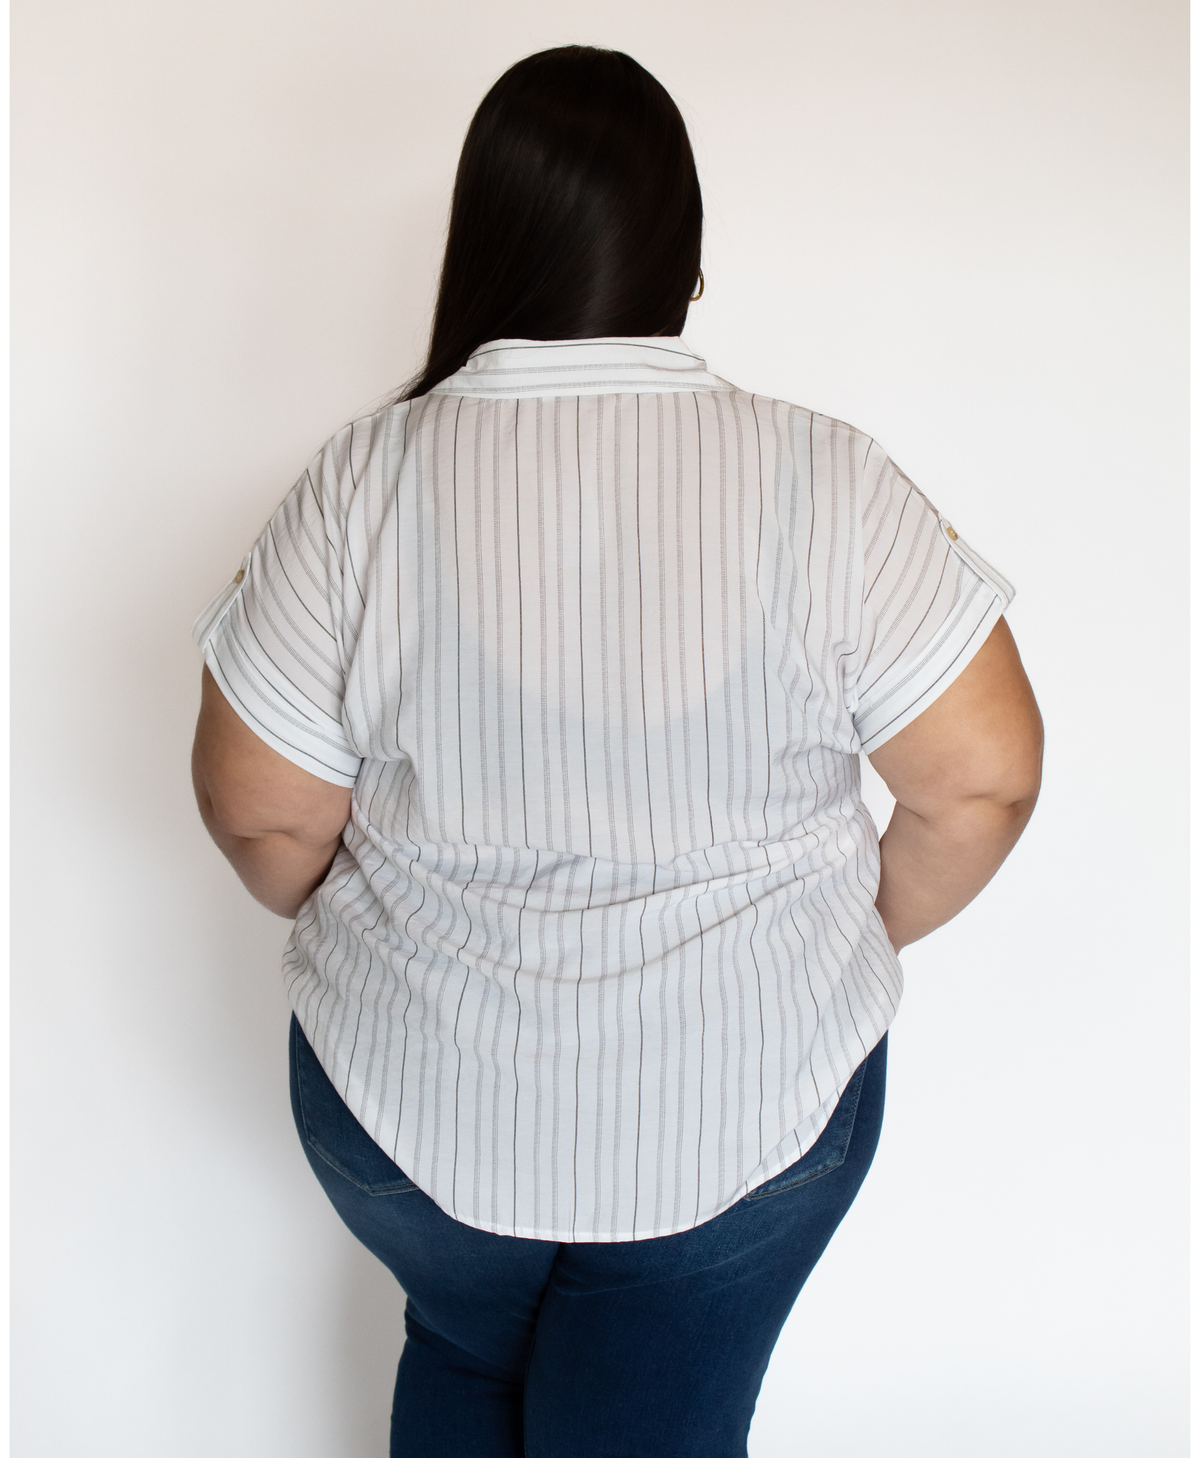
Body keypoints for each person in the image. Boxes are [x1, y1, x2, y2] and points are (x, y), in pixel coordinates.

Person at [190, 44, 1043, 1458]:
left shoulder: (358, 482)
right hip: (749, 1117)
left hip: (411, 1115)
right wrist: (853, 923)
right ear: (685, 260)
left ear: (483, 245)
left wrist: (358, 915)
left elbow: (261, 818)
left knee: (467, 1350)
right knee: (643, 1419)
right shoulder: (828, 478)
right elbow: (985, 776)